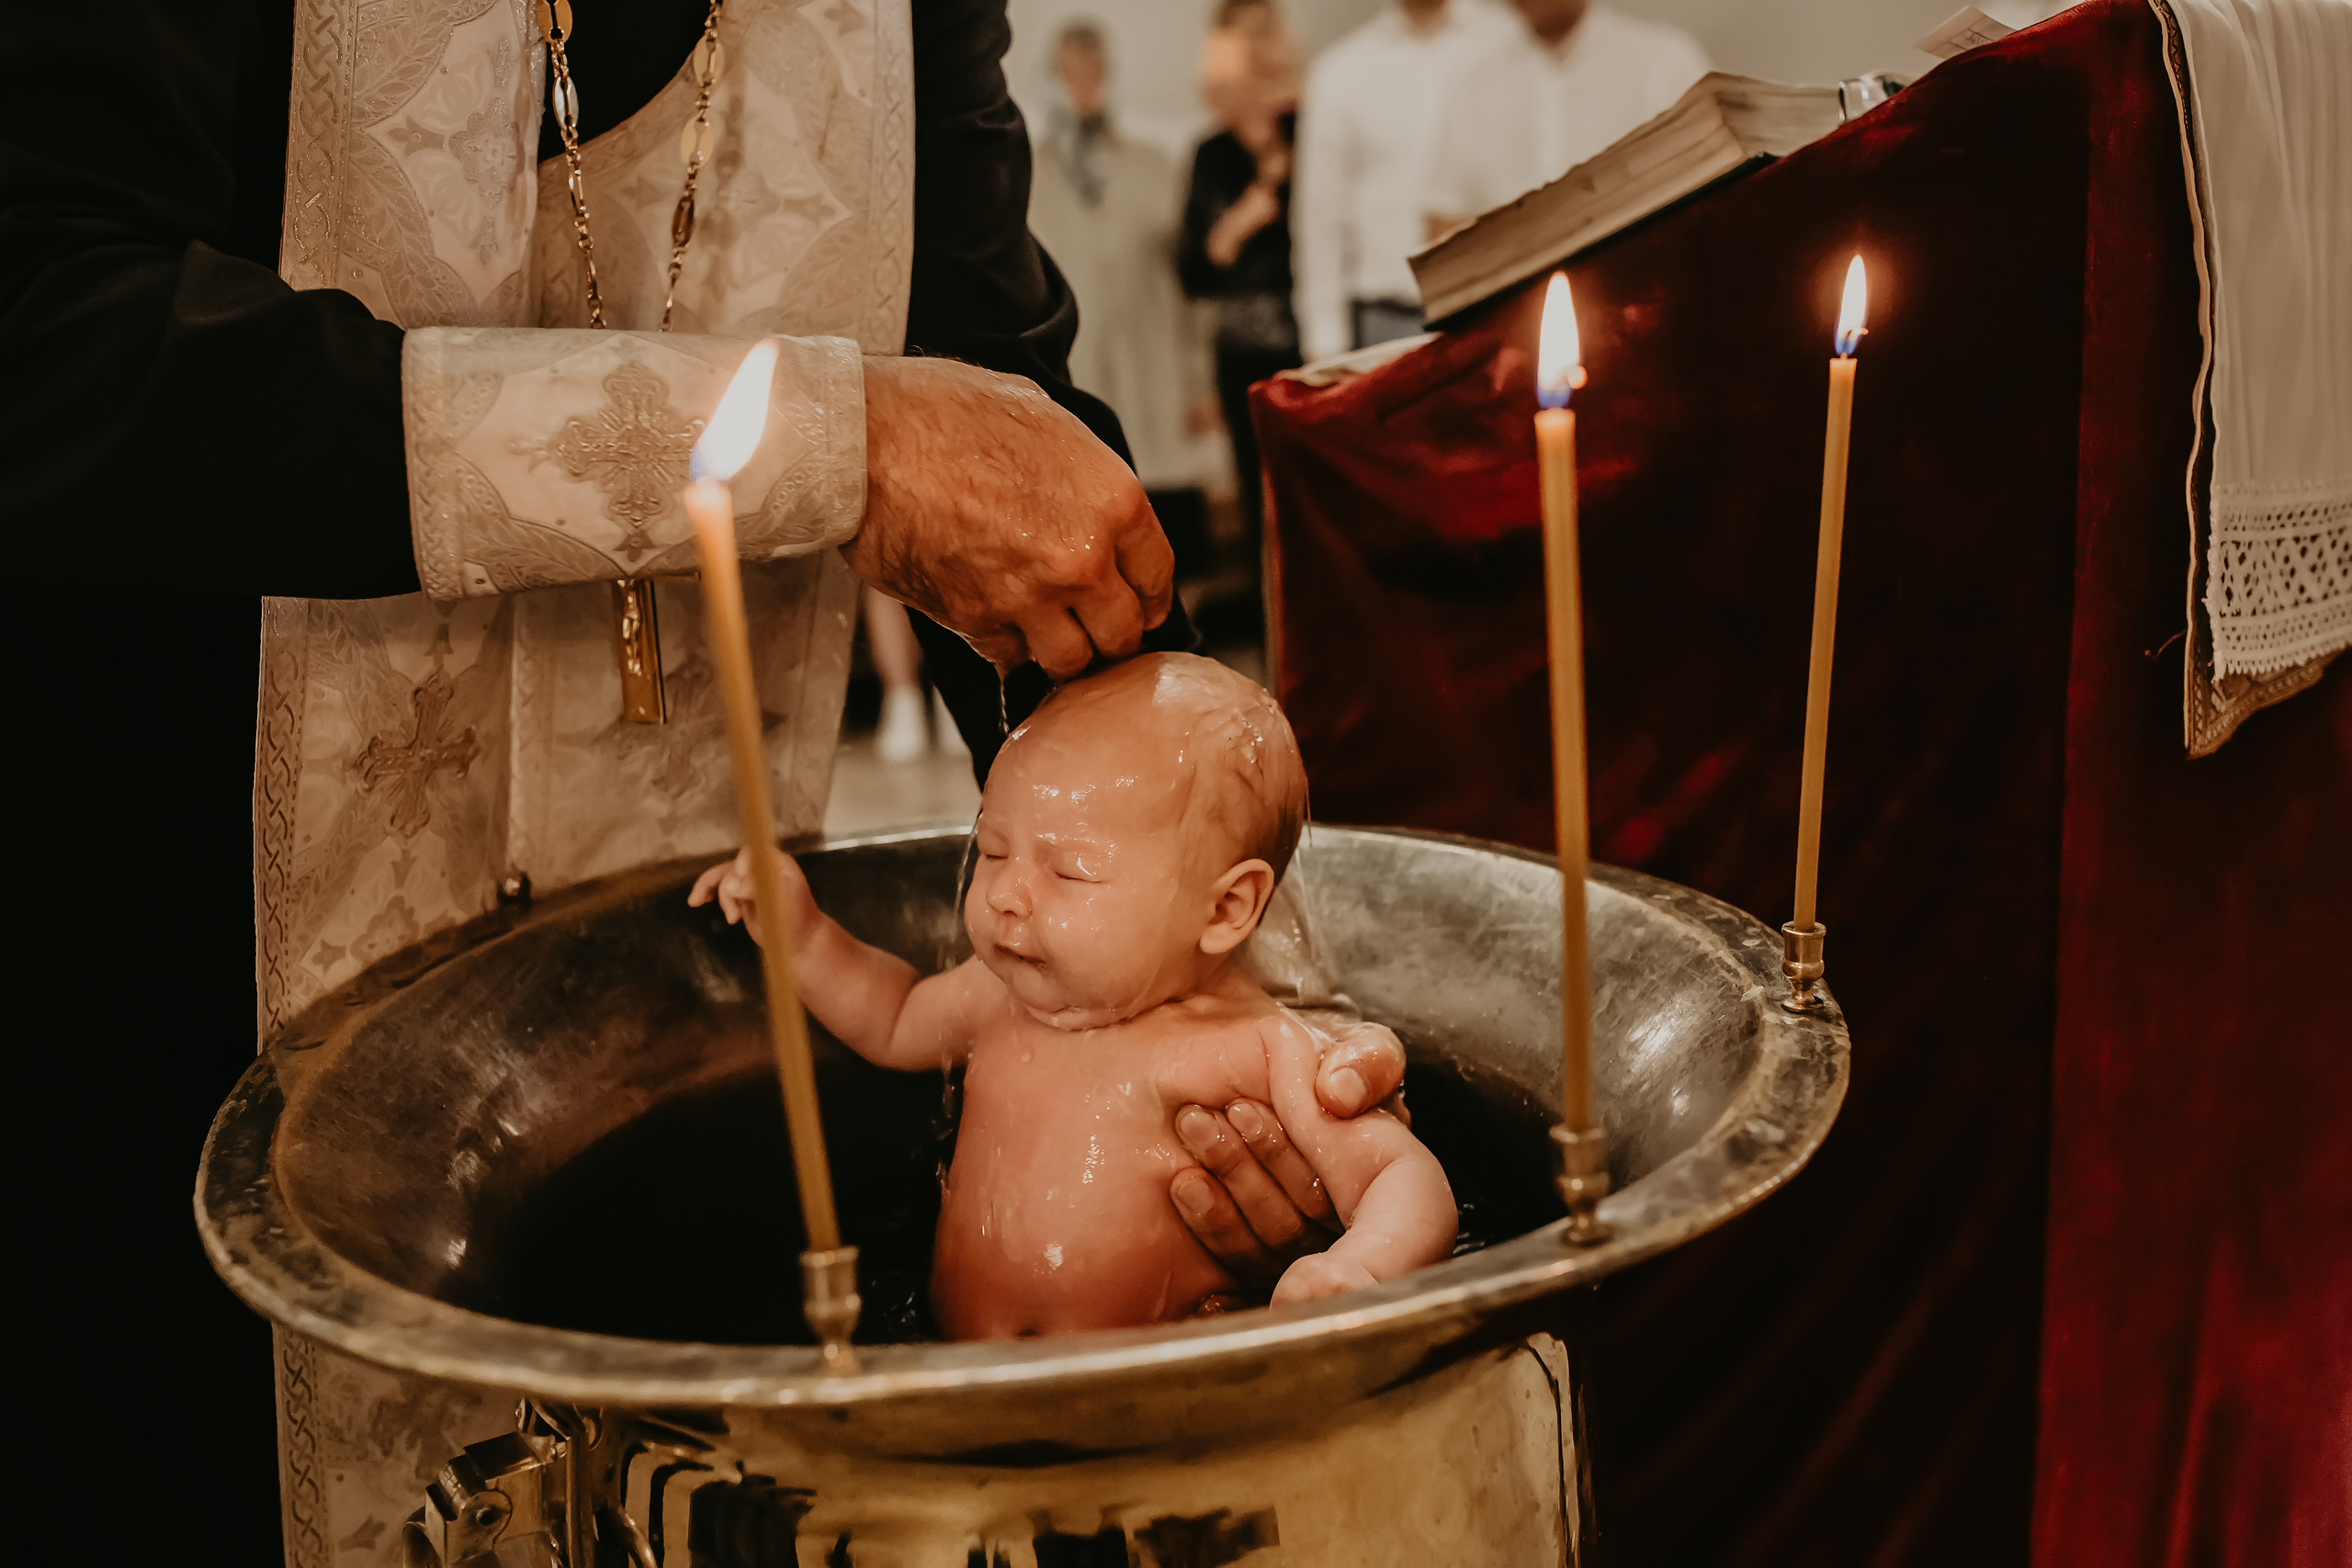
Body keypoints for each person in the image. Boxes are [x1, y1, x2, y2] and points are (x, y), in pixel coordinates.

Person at [3, 1, 1403, 1555]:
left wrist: (1209, 998)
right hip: (164, 1008)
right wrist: (822, 441)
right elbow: (47, 322)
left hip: (685, 1074)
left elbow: (996, 393)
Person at [692, 652, 1456, 1336]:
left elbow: (1404, 1176)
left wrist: (1356, 1271)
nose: (1007, 895)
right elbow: (891, 1018)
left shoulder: (1245, 1047)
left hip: (1146, 1393)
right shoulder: (999, 998)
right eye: (991, 847)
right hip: (952, 1372)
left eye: (1071, 870)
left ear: (1224, 909)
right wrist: (804, 936)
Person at [1027, 20, 1219, 584]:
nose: (1084, 84)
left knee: (1176, 528)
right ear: (1052, 79)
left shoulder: (1155, 166)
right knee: (1093, 531)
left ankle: (1189, 658)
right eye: (1071, 72)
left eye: (1095, 71)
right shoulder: (1029, 178)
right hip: (1079, 379)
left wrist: (1199, 377)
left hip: (1155, 375)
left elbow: (1192, 288)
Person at [1291, 0, 1518, 361]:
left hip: (1498, 305)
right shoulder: (1341, 71)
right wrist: (1324, 341)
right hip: (1388, 317)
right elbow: (1321, 219)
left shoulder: (1508, 41)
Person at [1179, 0, 1304, 576]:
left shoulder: (1309, 130)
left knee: (1313, 488)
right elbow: (1193, 269)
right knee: (1258, 497)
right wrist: (1246, 215)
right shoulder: (1211, 154)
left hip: (1313, 337)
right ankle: (1270, 630)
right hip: (1242, 353)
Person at [1422, 0, 1712, 235]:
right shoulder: (1474, 86)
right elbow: (1443, 219)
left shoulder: (1665, 63)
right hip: (1511, 300)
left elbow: (1712, 194)